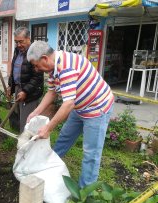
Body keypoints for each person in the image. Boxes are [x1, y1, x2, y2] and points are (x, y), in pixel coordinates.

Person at [26, 41, 114, 188]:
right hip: (79, 107)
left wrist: (48, 128)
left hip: (97, 108)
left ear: (45, 58)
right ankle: (47, 168)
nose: (36, 69)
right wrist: (36, 111)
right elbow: (52, 91)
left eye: (36, 65)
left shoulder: (65, 68)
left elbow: (68, 104)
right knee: (64, 138)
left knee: (90, 153)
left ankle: (84, 193)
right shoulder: (53, 68)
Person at [7, 27, 44, 132]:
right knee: (21, 117)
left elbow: (37, 78)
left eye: (21, 41)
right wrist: (11, 86)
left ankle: (27, 145)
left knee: (27, 121)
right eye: (16, 42)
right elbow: (14, 69)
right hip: (19, 89)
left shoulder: (35, 53)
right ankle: (24, 140)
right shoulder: (17, 51)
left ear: (28, 39)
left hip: (30, 93)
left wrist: (25, 91)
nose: (18, 45)